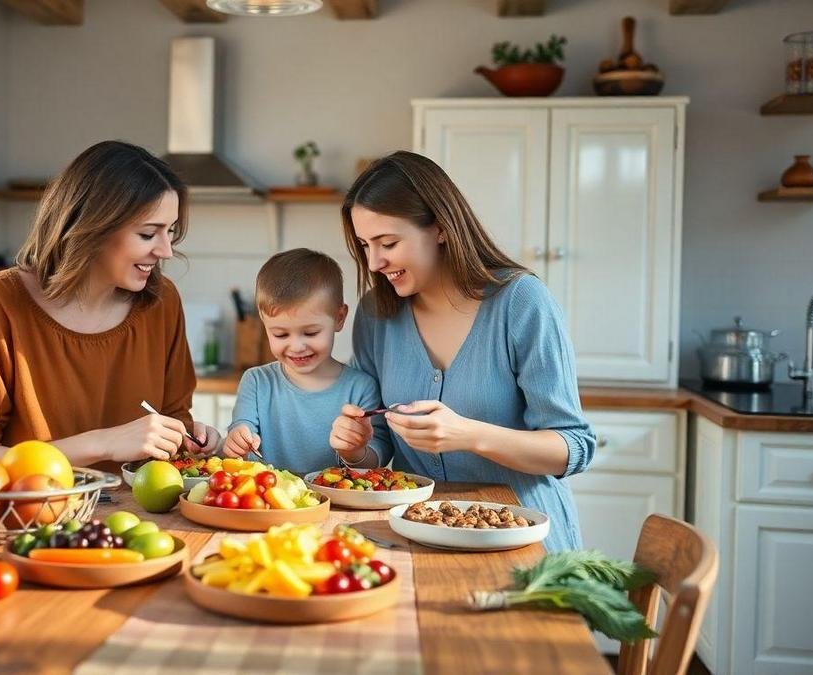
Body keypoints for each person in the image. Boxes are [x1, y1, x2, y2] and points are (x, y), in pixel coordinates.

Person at [329, 151, 595, 551]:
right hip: (419, 535)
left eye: (388, 242)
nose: (375, 261)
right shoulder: (376, 314)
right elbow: (380, 441)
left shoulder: (521, 302)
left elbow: (572, 447)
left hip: (524, 542)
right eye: (365, 245)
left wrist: (468, 435)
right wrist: (358, 448)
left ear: (440, 228)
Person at [0, 140, 221, 466]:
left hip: (136, 515)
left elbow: (173, 417)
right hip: (35, 515)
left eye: (170, 231)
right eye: (147, 234)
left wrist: (188, 437)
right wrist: (103, 443)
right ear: (93, 228)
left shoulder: (161, 302)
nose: (166, 251)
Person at [223, 249, 385, 476]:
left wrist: (355, 453)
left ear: (339, 318)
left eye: (310, 333)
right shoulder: (257, 382)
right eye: (280, 335)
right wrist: (236, 441)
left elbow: (378, 455)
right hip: (269, 503)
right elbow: (241, 431)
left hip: (336, 503)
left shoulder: (361, 387)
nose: (296, 346)